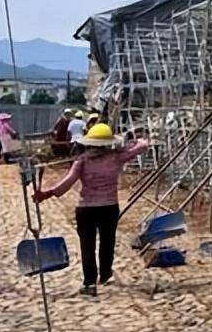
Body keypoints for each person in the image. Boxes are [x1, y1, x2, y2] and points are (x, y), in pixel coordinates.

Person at [34, 123, 149, 296]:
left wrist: (47, 194)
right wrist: (131, 140)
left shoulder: (82, 161)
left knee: (87, 245)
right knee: (107, 242)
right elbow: (143, 145)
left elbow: (68, 181)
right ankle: (105, 274)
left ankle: (89, 283)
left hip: (86, 208)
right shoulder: (116, 157)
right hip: (109, 207)